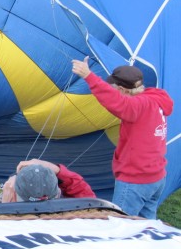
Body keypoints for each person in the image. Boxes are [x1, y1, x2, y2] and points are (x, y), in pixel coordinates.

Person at [71, 56, 173, 219]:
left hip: (135, 180)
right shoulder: (156, 98)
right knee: (147, 227)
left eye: (115, 88)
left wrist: (88, 76)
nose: (113, 90)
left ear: (124, 90)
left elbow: (114, 101)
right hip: (156, 177)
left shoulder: (137, 106)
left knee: (120, 226)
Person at [0, 158, 95, 203]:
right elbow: (88, 198)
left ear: (13, 196)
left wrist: (5, 209)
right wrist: (58, 170)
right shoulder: (80, 220)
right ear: (58, 193)